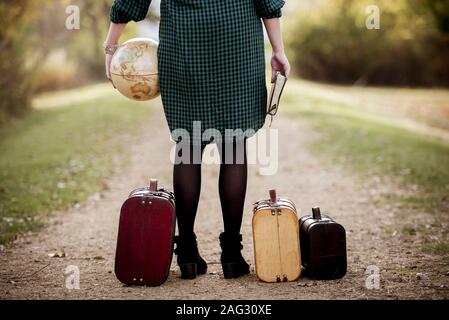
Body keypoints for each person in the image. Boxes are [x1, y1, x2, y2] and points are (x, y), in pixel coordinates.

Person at [105, 0, 290, 280]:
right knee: (233, 145)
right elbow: (266, 2)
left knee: (188, 146)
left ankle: (187, 253)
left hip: (184, 41)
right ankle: (231, 255)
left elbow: (133, 1)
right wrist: (278, 50)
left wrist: (111, 45)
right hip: (236, 38)